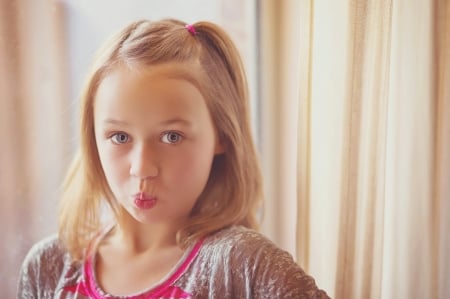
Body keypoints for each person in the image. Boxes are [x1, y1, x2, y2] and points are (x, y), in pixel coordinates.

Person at [17, 19, 330, 298]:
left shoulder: (245, 266)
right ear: (92, 138)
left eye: (171, 137)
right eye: (120, 137)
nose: (142, 168)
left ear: (221, 135)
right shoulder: (49, 267)